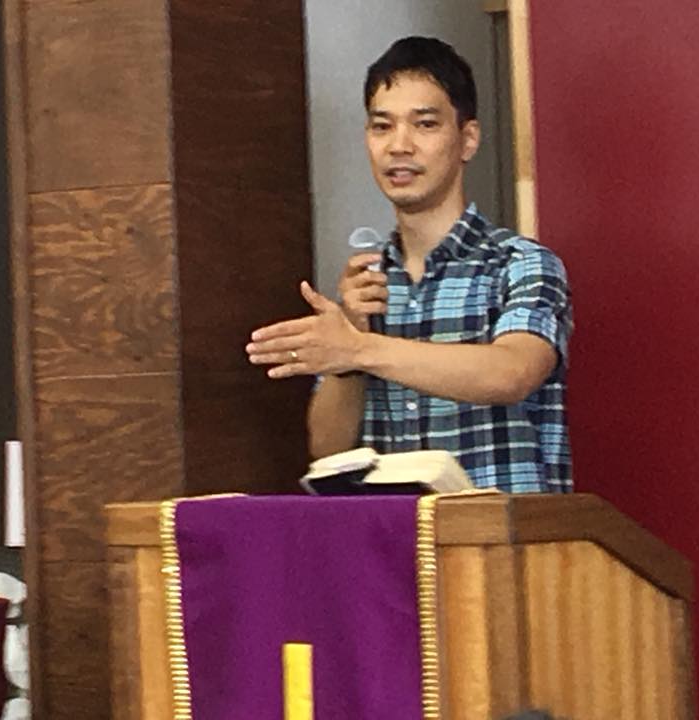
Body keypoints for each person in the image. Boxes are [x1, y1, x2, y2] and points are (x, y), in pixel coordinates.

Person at [245, 36, 573, 493]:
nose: (399, 146)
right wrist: (348, 348)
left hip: (502, 534)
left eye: (425, 125)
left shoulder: (520, 263)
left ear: (468, 139)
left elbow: (511, 373)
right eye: (382, 127)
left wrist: (361, 349)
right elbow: (327, 447)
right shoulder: (367, 282)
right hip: (396, 534)